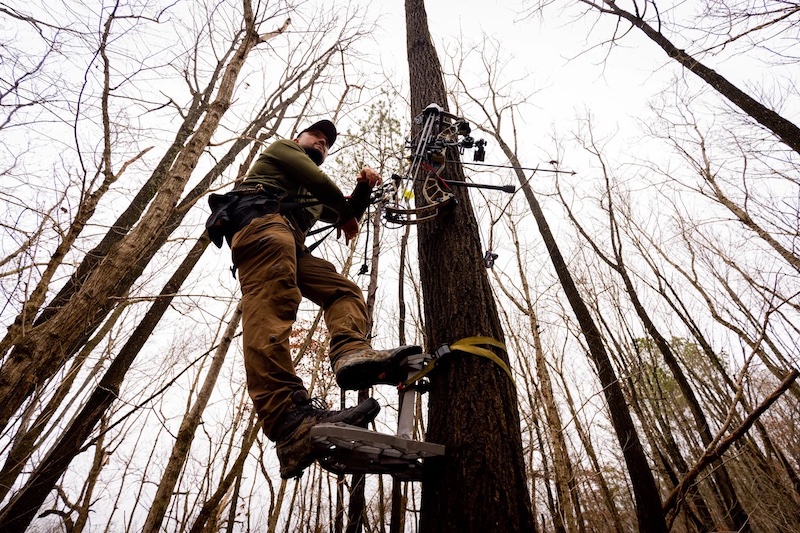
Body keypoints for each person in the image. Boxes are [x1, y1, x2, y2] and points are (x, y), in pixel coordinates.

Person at [207, 119, 419, 479]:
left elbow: (343, 211)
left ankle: (351, 353)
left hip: (291, 243)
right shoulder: (282, 149)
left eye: (326, 144)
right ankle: (288, 422)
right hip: (261, 226)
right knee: (272, 307)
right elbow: (326, 189)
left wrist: (363, 187)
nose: (321, 144)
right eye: (316, 138)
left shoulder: (311, 200)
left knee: (344, 291)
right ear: (297, 139)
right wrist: (348, 212)